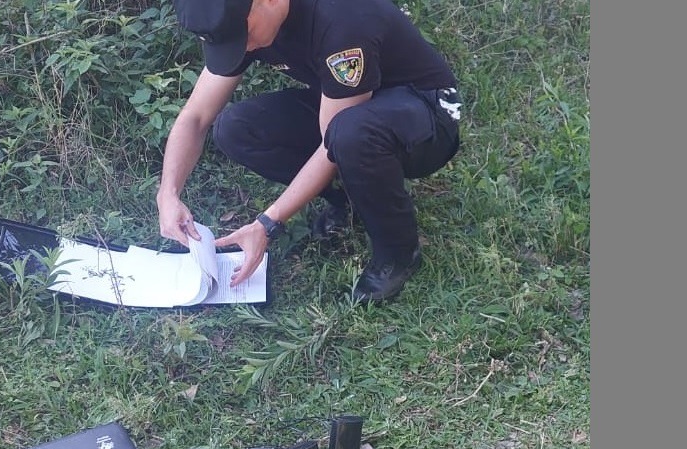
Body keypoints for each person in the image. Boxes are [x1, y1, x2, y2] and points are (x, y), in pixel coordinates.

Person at [157, 0, 462, 303]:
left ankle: (398, 252)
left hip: (427, 112)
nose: (244, 49)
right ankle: (350, 199)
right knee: (236, 129)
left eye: (244, 38)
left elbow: (330, 144)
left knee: (349, 135)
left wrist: (266, 223)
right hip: (348, 104)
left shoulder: (342, 20)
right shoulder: (243, 19)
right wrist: (167, 193)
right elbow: (195, 117)